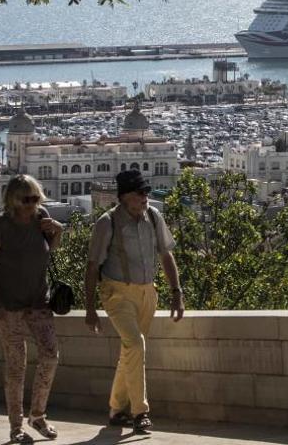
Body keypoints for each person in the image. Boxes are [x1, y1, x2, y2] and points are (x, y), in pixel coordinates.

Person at [84, 169, 184, 433]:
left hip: (147, 291)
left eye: (146, 192)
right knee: (136, 344)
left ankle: (117, 409)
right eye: (140, 193)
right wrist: (90, 308)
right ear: (125, 196)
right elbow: (92, 267)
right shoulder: (107, 223)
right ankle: (140, 412)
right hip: (116, 293)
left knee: (130, 351)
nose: (145, 197)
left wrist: (177, 292)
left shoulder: (153, 216)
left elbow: (166, 255)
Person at [0, 175, 63, 444]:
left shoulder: (42, 218)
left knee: (50, 356)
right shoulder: (2, 226)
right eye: (26, 200)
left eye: (35, 198)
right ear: (13, 200)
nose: (31, 205)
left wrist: (58, 231)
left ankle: (37, 415)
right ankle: (16, 426)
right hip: (10, 306)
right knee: (16, 367)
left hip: (39, 302)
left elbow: (48, 251)